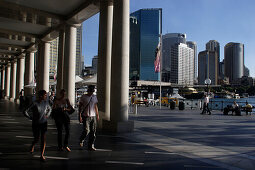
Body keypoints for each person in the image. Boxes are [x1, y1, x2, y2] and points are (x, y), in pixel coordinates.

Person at [23, 90, 51, 162]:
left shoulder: (46, 103)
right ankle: (33, 144)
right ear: (41, 96)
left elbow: (50, 109)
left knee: (43, 138)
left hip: (44, 122)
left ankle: (42, 154)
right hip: (36, 123)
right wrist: (31, 117)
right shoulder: (34, 103)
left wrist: (47, 115)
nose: (46, 97)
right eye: (45, 95)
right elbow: (25, 111)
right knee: (37, 138)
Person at [78, 85, 99, 151]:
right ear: (88, 90)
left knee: (93, 132)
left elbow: (95, 106)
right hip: (85, 116)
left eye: (92, 91)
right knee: (87, 130)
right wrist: (79, 115)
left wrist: (97, 115)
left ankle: (91, 145)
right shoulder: (83, 97)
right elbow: (80, 106)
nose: (91, 92)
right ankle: (81, 139)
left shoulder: (94, 97)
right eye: (91, 90)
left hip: (93, 116)